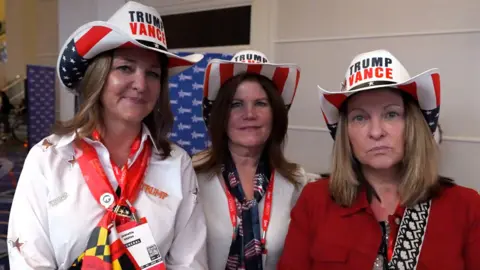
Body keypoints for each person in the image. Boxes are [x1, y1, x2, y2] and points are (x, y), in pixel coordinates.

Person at [7, 2, 207, 269]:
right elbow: (29, 261)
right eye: (125, 68)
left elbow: (189, 261)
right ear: (98, 77)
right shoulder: (49, 157)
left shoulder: (176, 163)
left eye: (153, 73)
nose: (140, 84)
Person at [278, 49, 480, 269]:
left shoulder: (466, 206)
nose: (376, 132)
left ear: (412, 125)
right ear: (346, 133)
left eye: (391, 114)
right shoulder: (315, 200)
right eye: (360, 117)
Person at [193, 50, 308, 270]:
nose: (249, 114)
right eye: (236, 104)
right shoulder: (192, 175)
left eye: (261, 104)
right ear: (220, 116)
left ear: (276, 114)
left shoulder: (296, 181)